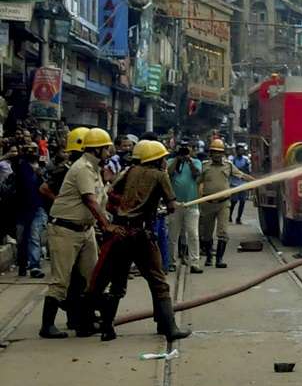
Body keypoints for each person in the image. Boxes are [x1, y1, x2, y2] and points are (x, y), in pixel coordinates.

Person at [91, 140, 190, 342]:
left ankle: (107, 329)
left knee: (118, 283)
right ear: (155, 159)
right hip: (142, 235)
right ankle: (169, 328)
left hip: (121, 233)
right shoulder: (160, 175)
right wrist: (171, 206)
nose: (165, 161)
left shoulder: (129, 171)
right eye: (163, 157)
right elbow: (171, 205)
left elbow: (111, 194)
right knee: (158, 282)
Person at [43, 128, 115, 339]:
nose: (109, 153)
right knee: (61, 280)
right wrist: (106, 225)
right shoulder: (83, 168)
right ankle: (46, 326)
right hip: (65, 229)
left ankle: (85, 319)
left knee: (93, 277)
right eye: (106, 149)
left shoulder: (95, 169)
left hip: (85, 229)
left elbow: (101, 200)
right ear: (98, 149)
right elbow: (89, 200)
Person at [198, 138, 254, 268]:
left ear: (223, 154)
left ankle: (219, 259)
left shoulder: (228, 165)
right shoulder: (204, 166)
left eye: (220, 152)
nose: (217, 155)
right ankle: (208, 258)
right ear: (210, 153)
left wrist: (254, 181)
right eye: (215, 152)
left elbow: (240, 175)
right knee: (207, 234)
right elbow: (197, 181)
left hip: (223, 204)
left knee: (223, 232)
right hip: (208, 204)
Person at [167, 144, 204, 274]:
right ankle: (171, 262)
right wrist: (177, 160)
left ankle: (194, 263)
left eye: (186, 149)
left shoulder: (196, 162)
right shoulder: (171, 162)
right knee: (172, 235)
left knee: (193, 234)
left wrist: (189, 161)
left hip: (192, 203)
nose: (184, 152)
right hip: (175, 204)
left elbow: (197, 174)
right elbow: (168, 173)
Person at [13, 142, 47, 278]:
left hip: (36, 207)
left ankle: (34, 266)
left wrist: (39, 174)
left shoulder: (42, 168)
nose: (32, 152)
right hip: (21, 208)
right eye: (29, 150)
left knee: (33, 237)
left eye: (34, 149)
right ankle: (22, 265)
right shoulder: (20, 166)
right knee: (21, 238)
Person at [229, 143, 252, 225]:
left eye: (242, 150)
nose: (241, 151)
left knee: (242, 201)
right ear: (236, 151)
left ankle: (238, 218)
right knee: (234, 201)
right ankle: (230, 215)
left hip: (243, 184)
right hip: (234, 184)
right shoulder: (232, 160)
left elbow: (248, 171)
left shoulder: (246, 160)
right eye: (240, 150)